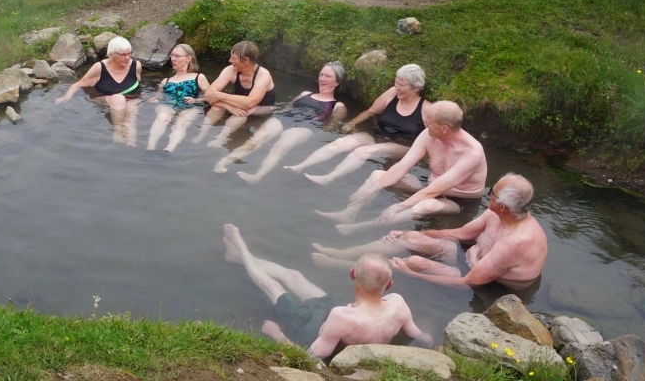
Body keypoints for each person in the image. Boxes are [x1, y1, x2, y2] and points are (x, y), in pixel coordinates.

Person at [223, 224, 430, 358]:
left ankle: (241, 248)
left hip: (309, 327)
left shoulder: (341, 317)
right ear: (390, 285)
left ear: (351, 274)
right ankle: (236, 257)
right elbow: (420, 336)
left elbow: (308, 357)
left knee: (270, 286)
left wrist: (277, 335)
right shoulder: (398, 303)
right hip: (337, 307)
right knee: (294, 276)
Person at [313, 174, 547, 291]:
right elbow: (461, 233)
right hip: (473, 261)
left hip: (491, 286)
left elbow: (469, 282)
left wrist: (410, 274)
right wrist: (410, 232)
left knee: (414, 262)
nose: (489, 194)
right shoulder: (496, 214)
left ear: (503, 205)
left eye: (491, 194)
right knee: (410, 238)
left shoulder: (516, 241)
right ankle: (340, 253)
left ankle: (342, 267)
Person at [317, 101, 487, 235]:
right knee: (378, 175)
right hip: (430, 187)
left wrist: (398, 206)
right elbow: (402, 167)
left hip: (459, 202)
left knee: (425, 205)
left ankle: (362, 227)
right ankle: (349, 213)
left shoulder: (472, 153)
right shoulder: (429, 135)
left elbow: (434, 191)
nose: (425, 124)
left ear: (444, 128)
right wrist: (372, 189)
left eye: (429, 122)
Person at [286, 64, 430, 185]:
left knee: (364, 151)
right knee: (340, 143)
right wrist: (352, 123)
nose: (396, 87)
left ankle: (328, 178)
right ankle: (300, 166)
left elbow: (434, 139)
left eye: (401, 85)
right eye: (396, 82)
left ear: (416, 88)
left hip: (403, 146)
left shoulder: (426, 109)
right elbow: (370, 111)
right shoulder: (392, 93)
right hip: (378, 136)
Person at [217, 61, 347, 182]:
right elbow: (287, 108)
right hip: (284, 119)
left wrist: (311, 137)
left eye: (328, 76)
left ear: (336, 82)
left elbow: (329, 128)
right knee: (256, 139)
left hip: (304, 127)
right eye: (321, 75)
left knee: (279, 147)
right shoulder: (305, 94)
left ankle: (257, 176)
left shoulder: (338, 106)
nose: (322, 79)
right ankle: (223, 161)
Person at [56, 36, 144, 145]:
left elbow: (139, 86)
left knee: (130, 118)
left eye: (129, 53)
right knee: (118, 98)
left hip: (132, 99)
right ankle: (118, 133)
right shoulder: (99, 68)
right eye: (122, 55)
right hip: (106, 100)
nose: (127, 58)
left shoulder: (136, 66)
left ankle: (131, 146)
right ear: (112, 54)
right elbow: (77, 84)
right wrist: (66, 96)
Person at [193, 41, 276, 149]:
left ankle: (221, 138)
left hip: (264, 108)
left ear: (246, 60)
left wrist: (221, 96)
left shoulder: (263, 75)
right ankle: (202, 133)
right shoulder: (230, 70)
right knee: (217, 105)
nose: (230, 60)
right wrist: (229, 107)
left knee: (243, 112)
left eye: (233, 58)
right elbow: (209, 94)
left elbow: (250, 102)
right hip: (239, 104)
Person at [146, 44, 210, 152]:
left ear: (188, 58)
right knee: (163, 117)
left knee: (180, 124)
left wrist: (196, 100)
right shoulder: (166, 81)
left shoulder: (198, 77)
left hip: (189, 107)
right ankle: (150, 149)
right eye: (172, 55)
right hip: (168, 105)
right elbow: (158, 96)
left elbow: (211, 97)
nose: (173, 59)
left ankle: (168, 151)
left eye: (177, 56)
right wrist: (154, 99)